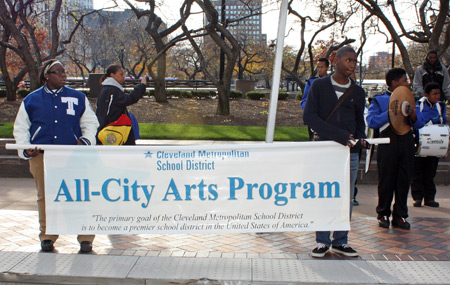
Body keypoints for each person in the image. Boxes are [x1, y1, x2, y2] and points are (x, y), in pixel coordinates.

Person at [13, 59, 99, 252]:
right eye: (57, 71)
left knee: (80, 194)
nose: (63, 75)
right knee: (46, 197)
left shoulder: (78, 98)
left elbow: (90, 124)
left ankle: (85, 237)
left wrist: (85, 141)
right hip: (43, 157)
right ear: (46, 76)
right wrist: (26, 148)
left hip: (73, 156)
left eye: (64, 71)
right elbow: (21, 129)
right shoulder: (31, 100)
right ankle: (47, 236)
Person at [303, 46, 367, 258]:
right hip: (324, 150)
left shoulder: (358, 91)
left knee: (345, 199)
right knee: (323, 194)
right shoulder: (319, 86)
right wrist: (341, 136)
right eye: (348, 60)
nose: (352, 64)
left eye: (355, 61)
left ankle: (341, 241)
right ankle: (322, 241)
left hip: (349, 154)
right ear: (336, 61)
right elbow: (310, 118)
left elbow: (359, 122)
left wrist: (359, 140)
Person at [367, 68, 423, 230]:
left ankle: (400, 215)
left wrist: (412, 115)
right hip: (387, 142)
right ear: (395, 83)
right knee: (386, 180)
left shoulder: (411, 99)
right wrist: (390, 113)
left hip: (406, 141)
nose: (408, 83)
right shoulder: (379, 100)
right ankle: (383, 213)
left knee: (404, 180)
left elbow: (419, 123)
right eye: (405, 80)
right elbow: (372, 121)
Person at [411, 82, 447, 208]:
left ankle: (430, 198)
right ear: (426, 94)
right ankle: (417, 197)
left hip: (435, 143)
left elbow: (443, 122)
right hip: (420, 142)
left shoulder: (440, 106)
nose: (437, 96)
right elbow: (416, 121)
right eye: (434, 94)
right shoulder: (419, 105)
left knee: (430, 172)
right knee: (418, 171)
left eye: (438, 94)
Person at [96, 64, 147, 145]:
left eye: (124, 74)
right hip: (114, 131)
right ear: (112, 75)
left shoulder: (108, 89)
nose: (124, 76)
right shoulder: (112, 90)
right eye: (121, 74)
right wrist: (142, 86)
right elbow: (130, 99)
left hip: (110, 130)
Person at [301, 57, 330, 141]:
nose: (319, 69)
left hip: (329, 119)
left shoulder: (332, 82)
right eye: (318, 67)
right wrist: (309, 109)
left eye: (322, 67)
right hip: (314, 118)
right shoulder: (311, 82)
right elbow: (304, 100)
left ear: (327, 68)